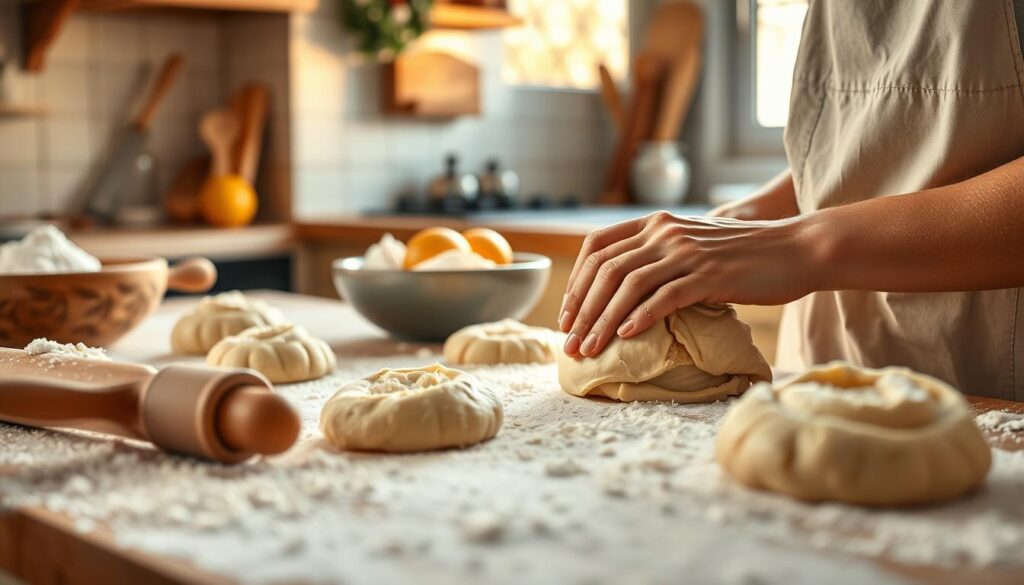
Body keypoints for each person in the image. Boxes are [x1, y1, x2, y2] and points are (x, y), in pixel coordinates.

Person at [558, 0, 1024, 400]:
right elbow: (876, 135)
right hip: (816, 373)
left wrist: (800, 244)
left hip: (987, 382)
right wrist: (745, 218)